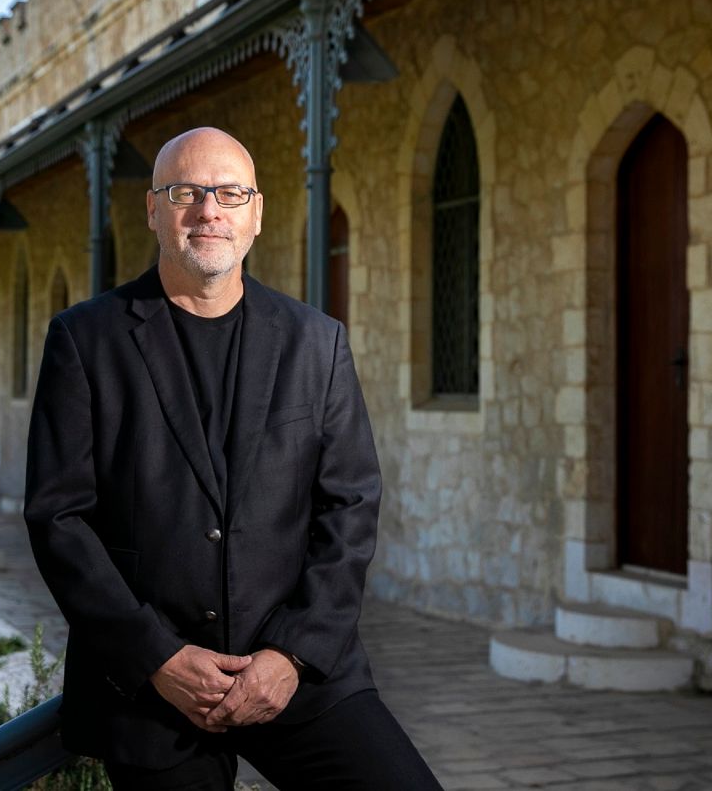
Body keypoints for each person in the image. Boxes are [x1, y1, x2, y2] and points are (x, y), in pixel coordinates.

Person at [25, 127, 442, 790]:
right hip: (153, 686)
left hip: (295, 671)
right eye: (186, 192)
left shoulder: (317, 343)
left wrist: (292, 653)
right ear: (153, 211)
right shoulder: (85, 340)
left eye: (229, 193)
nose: (208, 211)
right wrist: (156, 656)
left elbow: (351, 504)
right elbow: (59, 518)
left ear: (256, 213)